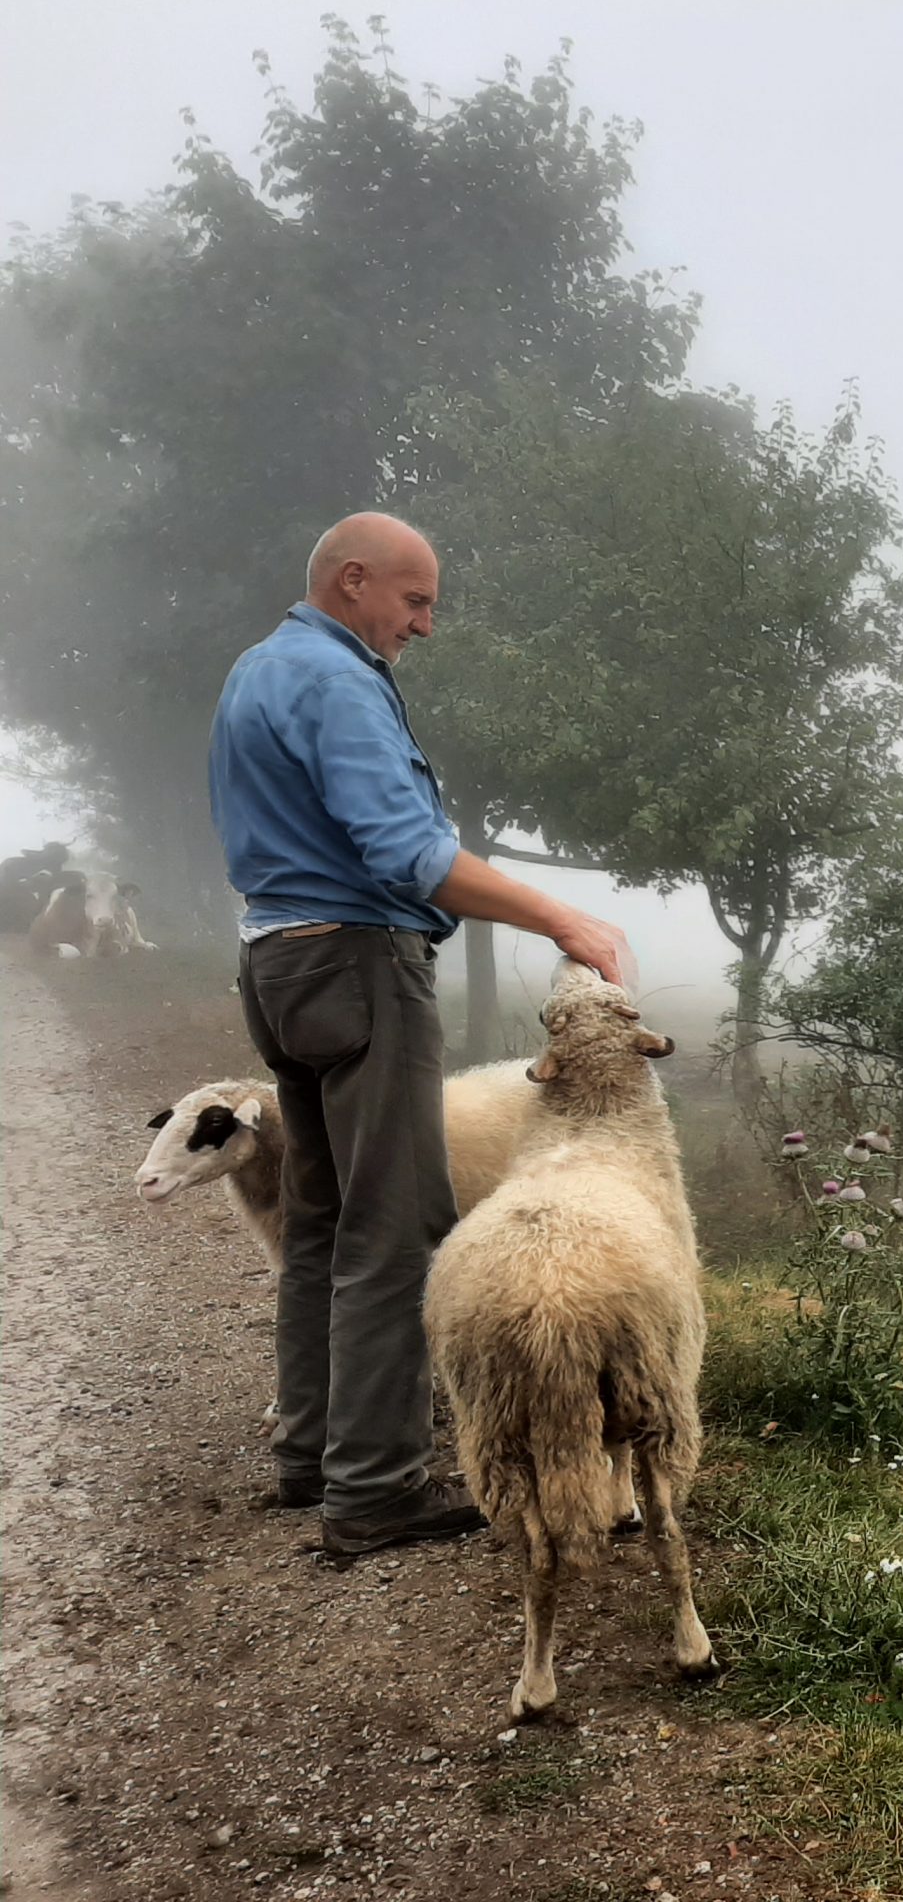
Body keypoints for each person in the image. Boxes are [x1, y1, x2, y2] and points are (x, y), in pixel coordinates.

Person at [209, 511, 635, 1559]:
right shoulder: (341, 681)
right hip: (358, 968)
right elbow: (407, 852)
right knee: (394, 1229)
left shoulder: (256, 671)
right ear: (354, 582)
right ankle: (376, 1489)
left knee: (319, 1219)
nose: (426, 625)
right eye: (415, 600)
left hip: (276, 965)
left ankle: (310, 1454)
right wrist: (561, 918)